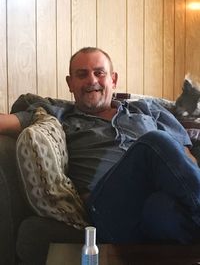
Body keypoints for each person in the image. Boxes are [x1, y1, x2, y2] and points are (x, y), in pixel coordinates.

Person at [2, 47, 200, 244]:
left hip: (153, 202)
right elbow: (6, 122)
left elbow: (185, 158)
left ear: (113, 80)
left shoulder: (148, 110)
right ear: (70, 83)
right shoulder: (56, 113)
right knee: (153, 142)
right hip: (109, 209)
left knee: (161, 212)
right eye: (82, 74)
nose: (92, 80)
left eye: (99, 73)